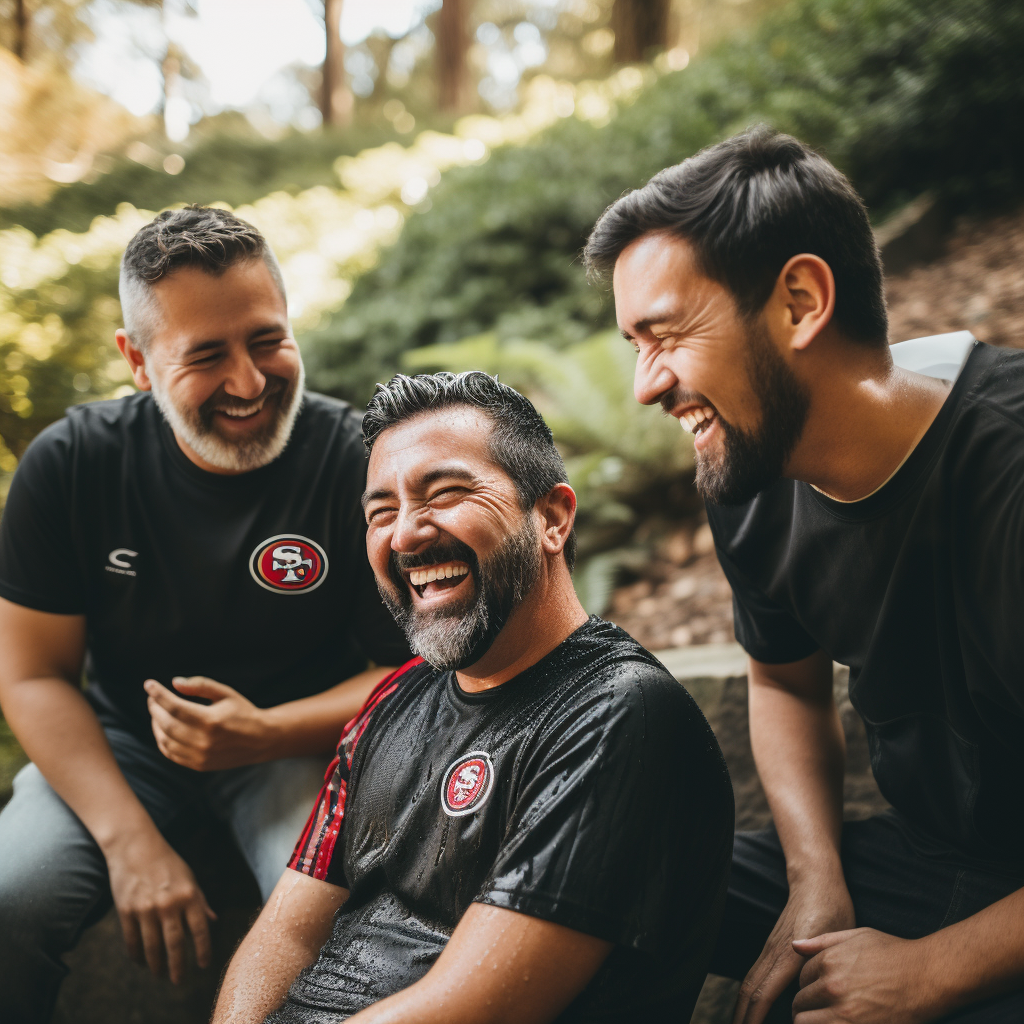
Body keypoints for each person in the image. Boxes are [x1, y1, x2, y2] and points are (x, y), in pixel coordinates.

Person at [584, 124, 1024, 1024]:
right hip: (919, 861)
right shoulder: (752, 473)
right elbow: (784, 682)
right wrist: (814, 877)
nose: (645, 385)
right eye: (635, 344)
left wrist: (933, 973)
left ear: (799, 302)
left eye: (665, 334)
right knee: (595, 900)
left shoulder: (1008, 469)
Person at [212, 370, 734, 1024]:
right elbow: (285, 933)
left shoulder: (620, 715)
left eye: (446, 492)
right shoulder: (392, 700)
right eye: (382, 511)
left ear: (551, 517)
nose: (404, 534)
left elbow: (472, 1008)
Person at [0, 206, 409, 1023]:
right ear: (138, 361)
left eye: (266, 340)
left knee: (346, 917)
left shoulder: (359, 459)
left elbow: (416, 671)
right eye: (207, 356)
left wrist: (268, 731)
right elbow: (31, 674)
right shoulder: (72, 464)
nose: (250, 383)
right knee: (11, 898)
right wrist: (130, 843)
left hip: (305, 745)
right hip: (120, 747)